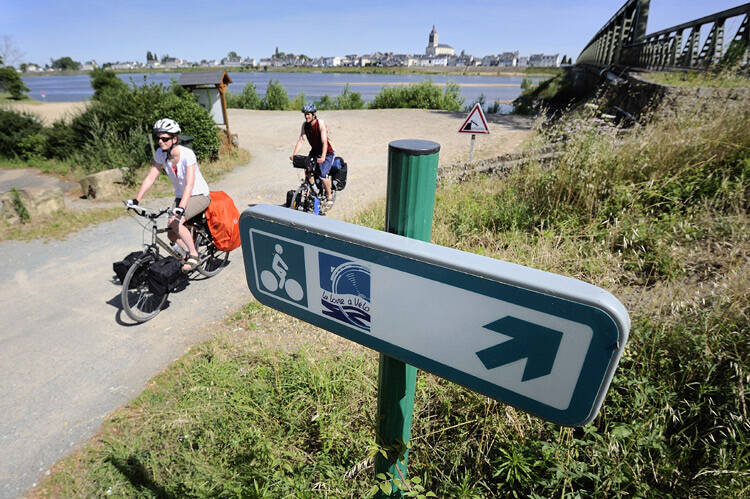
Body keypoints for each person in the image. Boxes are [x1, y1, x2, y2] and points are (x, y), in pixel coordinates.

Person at [126, 118, 211, 273]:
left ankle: (194, 254)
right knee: (172, 234)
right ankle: (187, 252)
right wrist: (136, 199)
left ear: (174, 139)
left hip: (198, 195)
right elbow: (151, 177)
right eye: (158, 138)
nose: (160, 141)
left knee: (175, 222)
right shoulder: (161, 154)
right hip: (181, 196)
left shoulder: (187, 155)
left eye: (164, 138)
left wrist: (181, 209)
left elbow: (190, 185)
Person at [290, 103, 339, 208]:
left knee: (323, 174)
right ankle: (315, 190)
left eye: (308, 114)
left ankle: (329, 195)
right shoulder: (305, 125)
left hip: (328, 152)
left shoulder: (320, 124)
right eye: (305, 114)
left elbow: (324, 142)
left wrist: (323, 157)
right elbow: (301, 140)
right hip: (315, 151)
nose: (306, 116)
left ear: (314, 114)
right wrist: (294, 154)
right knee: (307, 169)